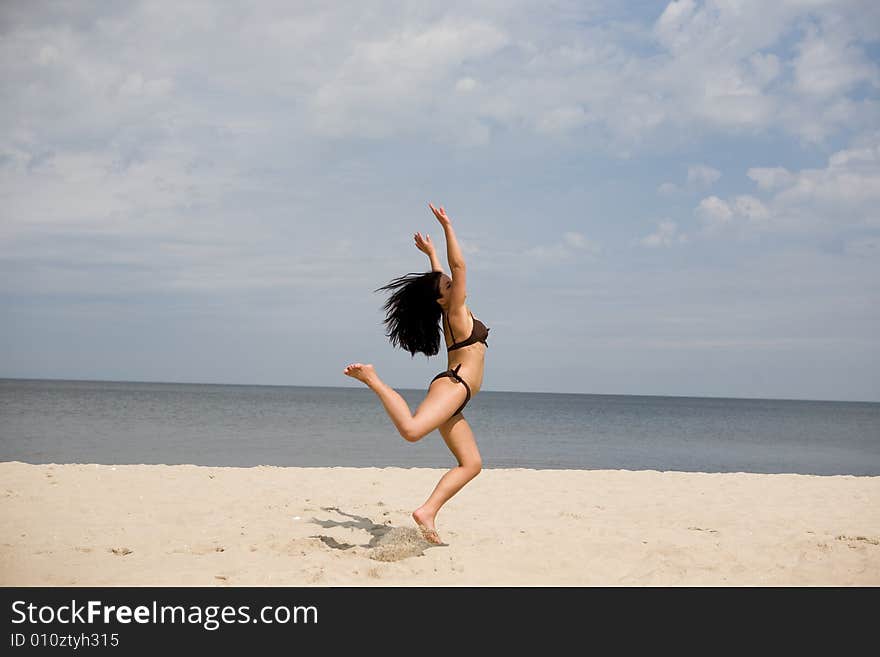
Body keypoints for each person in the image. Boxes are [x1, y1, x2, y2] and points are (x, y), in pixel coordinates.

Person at [343, 203, 489, 545]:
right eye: (451, 285)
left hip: (458, 395)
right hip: (454, 387)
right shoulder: (453, 310)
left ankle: (427, 512)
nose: (457, 284)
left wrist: (432, 254)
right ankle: (373, 379)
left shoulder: (454, 307)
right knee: (411, 431)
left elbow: (442, 278)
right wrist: (447, 228)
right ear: (444, 299)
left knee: (472, 463)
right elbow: (459, 265)